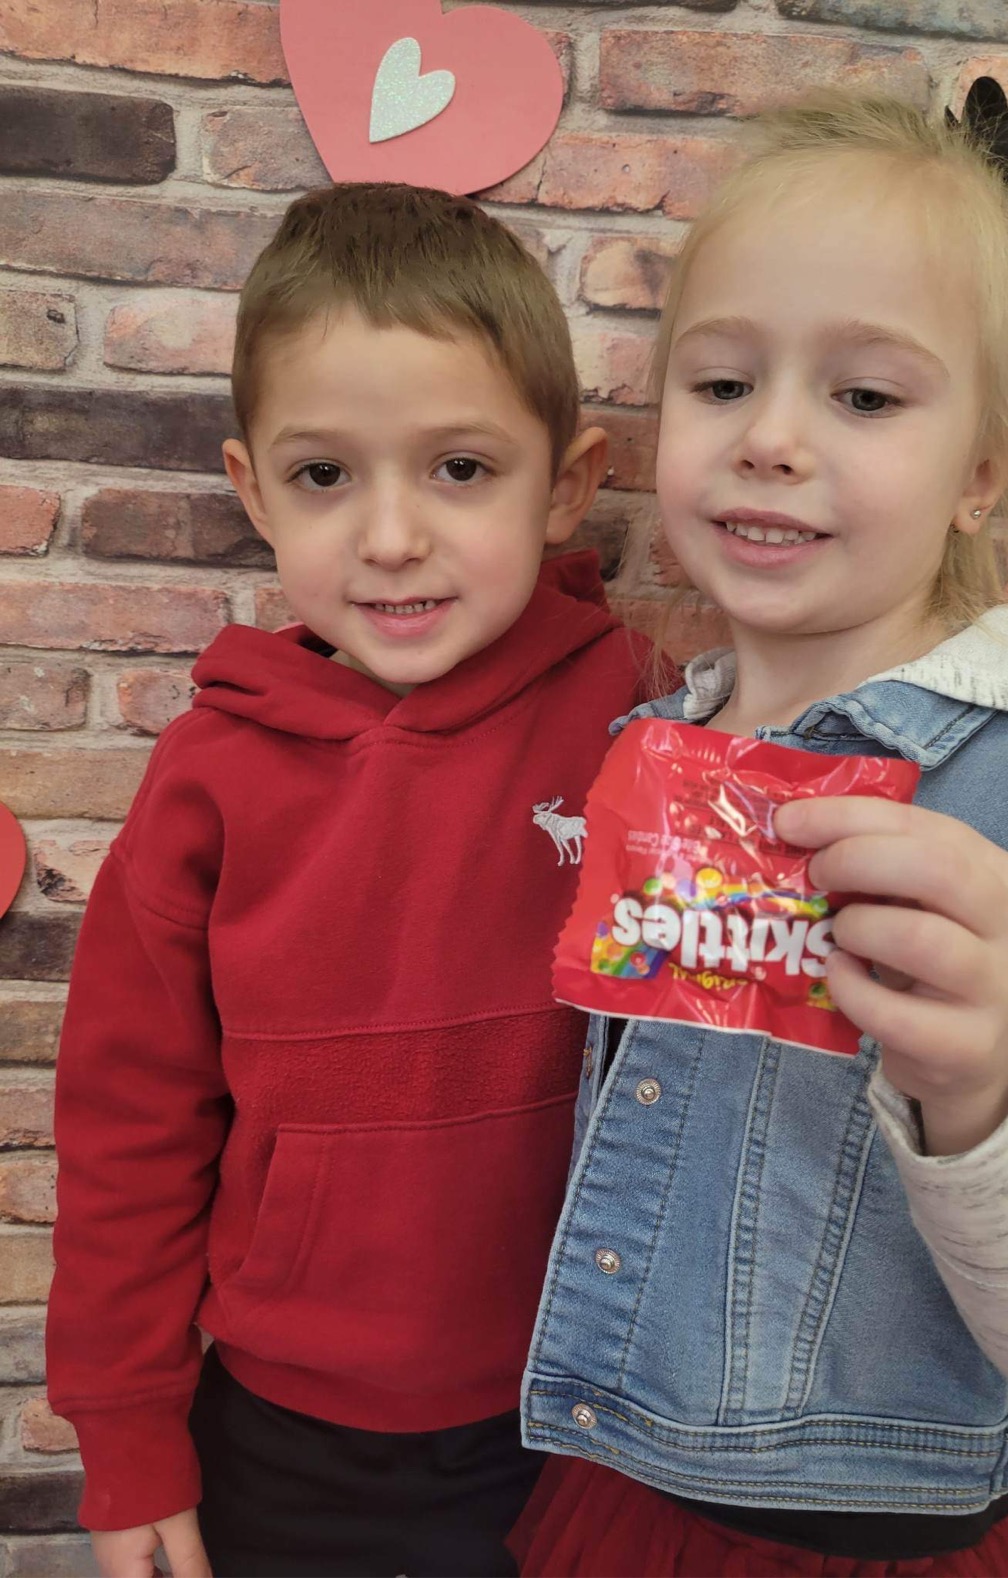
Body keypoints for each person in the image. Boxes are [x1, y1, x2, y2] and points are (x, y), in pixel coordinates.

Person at [510, 84, 1008, 1576]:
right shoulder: (641, 752)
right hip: (620, 1495)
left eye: (866, 398)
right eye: (723, 382)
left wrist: (987, 1084)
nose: (771, 439)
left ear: (980, 476)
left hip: (908, 1538)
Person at [46, 182, 652, 1578]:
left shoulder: (644, 718)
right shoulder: (207, 779)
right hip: (285, 1444)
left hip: (588, 1417)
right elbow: (130, 1131)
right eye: (326, 476)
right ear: (253, 489)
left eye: (460, 469)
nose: (390, 538)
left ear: (567, 483)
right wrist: (127, 1442)